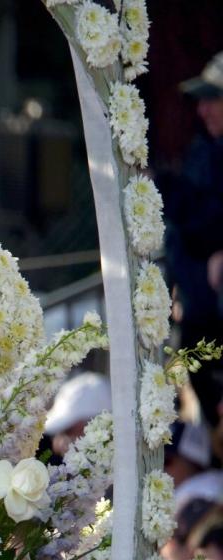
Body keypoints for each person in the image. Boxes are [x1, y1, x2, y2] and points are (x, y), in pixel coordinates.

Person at [157, 51, 223, 428]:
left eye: (214, 99)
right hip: (199, 314)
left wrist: (165, 187)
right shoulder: (205, 149)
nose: (203, 110)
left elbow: (207, 217)